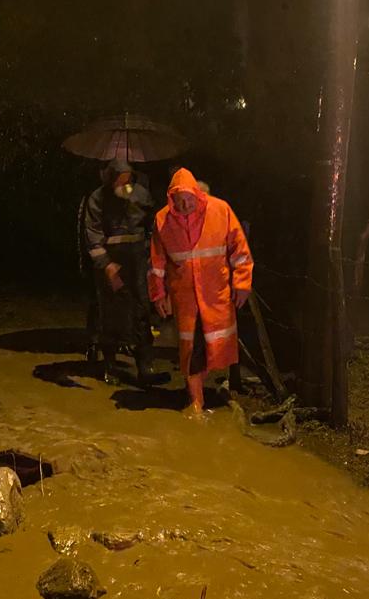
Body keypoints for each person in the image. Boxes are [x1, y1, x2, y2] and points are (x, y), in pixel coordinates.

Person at [148, 168, 253, 415]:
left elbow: (240, 250)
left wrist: (242, 284)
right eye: (179, 200)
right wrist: (158, 294)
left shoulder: (220, 210)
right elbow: (157, 262)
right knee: (190, 348)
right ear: (171, 199)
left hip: (215, 294)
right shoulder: (162, 220)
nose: (184, 205)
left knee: (212, 347)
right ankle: (196, 401)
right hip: (185, 297)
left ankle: (201, 394)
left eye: (188, 199)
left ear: (197, 195)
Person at [83, 157, 156, 383]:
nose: (124, 184)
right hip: (112, 260)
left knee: (142, 310)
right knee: (111, 313)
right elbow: (93, 235)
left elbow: (152, 224)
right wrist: (107, 265)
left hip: (137, 258)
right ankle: (110, 365)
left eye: (128, 179)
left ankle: (144, 366)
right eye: (120, 179)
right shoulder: (97, 199)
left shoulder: (140, 194)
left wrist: (151, 256)